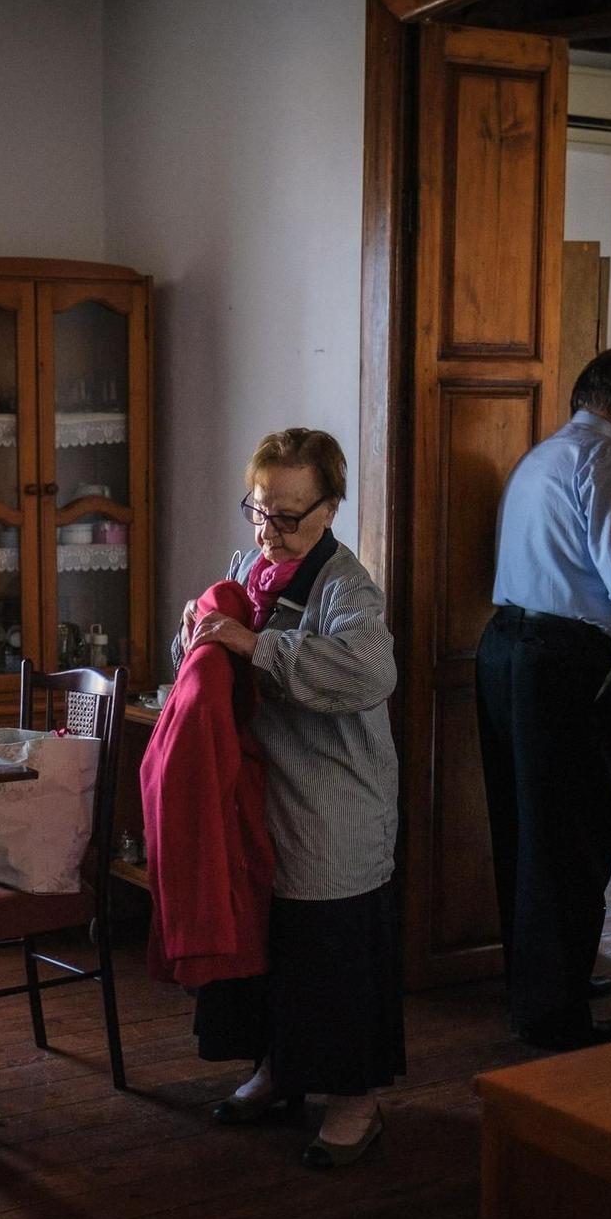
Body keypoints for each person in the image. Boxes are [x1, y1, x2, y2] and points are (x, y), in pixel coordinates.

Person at [175, 428, 403, 1168]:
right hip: (270, 799)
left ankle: (355, 1101)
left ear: (331, 509)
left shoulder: (347, 587)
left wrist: (254, 645)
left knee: (329, 954)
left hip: (334, 804)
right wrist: (197, 638)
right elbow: (221, 647)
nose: (269, 531)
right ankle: (276, 1071)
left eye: (289, 516)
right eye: (259, 509)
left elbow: (369, 673)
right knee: (271, 947)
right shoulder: (254, 564)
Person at [477, 347, 611, 1051]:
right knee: (574, 837)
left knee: (526, 831)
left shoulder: (543, 456)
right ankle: (553, 1014)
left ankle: (540, 983)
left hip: (504, 651)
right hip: (566, 667)